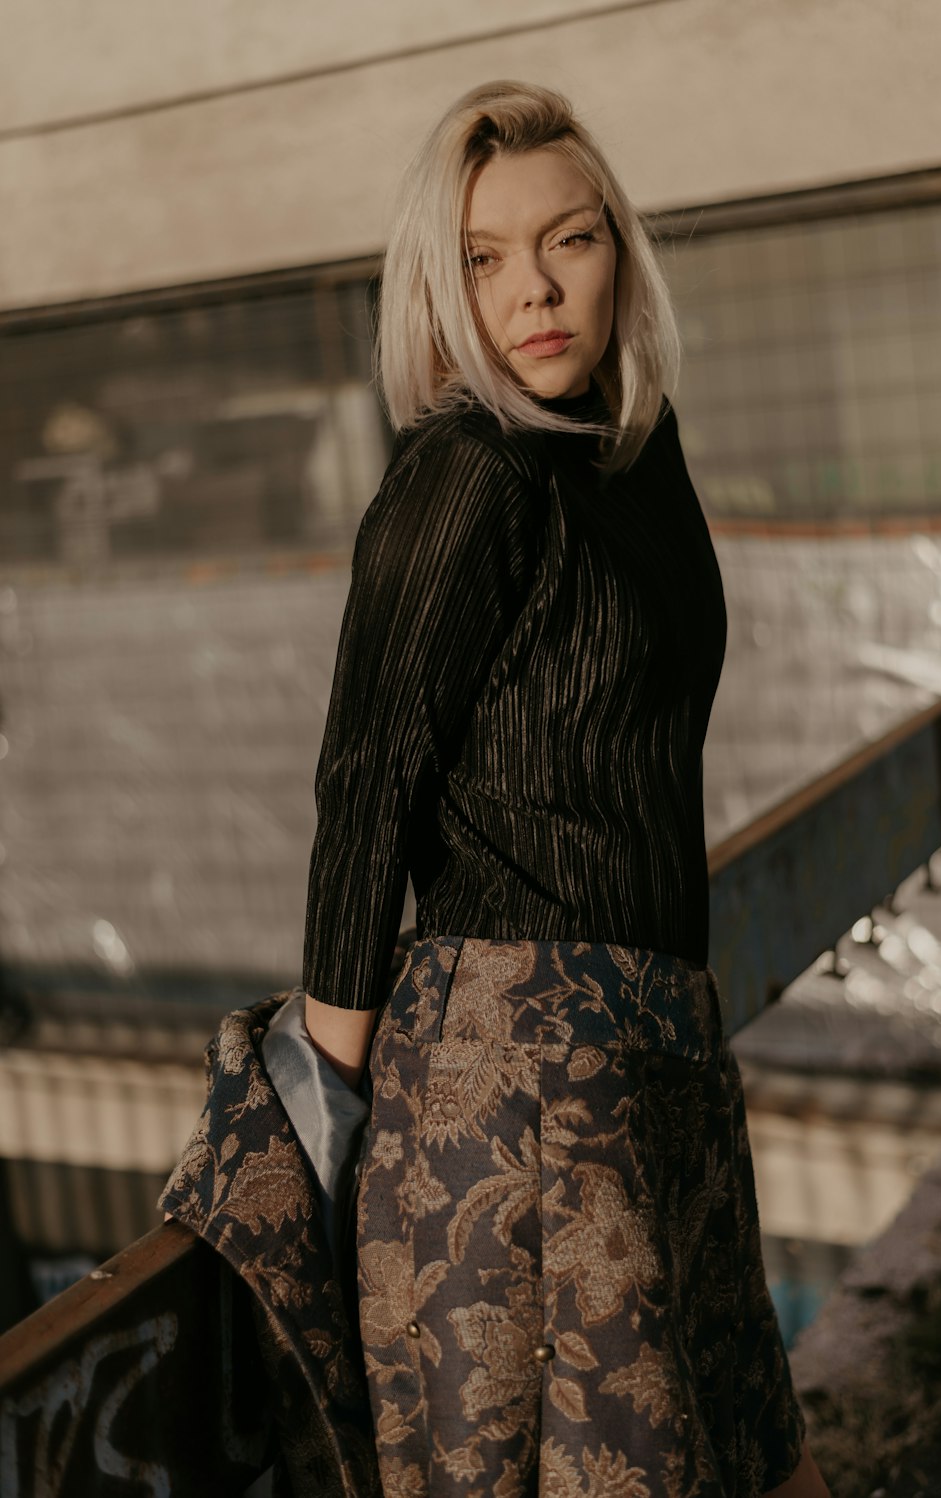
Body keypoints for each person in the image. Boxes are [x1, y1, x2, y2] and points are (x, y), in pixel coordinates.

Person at [301, 79, 829, 1498]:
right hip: (510, 1081)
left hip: (656, 1051)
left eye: (569, 239)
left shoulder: (639, 462)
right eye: (483, 256)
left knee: (751, 1454)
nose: (532, 288)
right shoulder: (464, 473)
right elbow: (366, 785)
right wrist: (321, 1119)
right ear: (440, 283)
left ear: (621, 256)